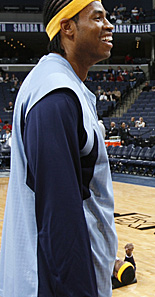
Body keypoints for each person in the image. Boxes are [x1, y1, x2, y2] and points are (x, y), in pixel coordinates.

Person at [0, 1, 117, 296]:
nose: (110, 25)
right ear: (67, 28)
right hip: (51, 284)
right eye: (98, 18)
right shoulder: (56, 97)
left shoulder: (60, 87)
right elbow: (60, 220)